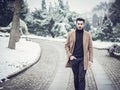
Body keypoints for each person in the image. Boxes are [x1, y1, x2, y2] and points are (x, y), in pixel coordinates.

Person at [65, 18, 93, 90]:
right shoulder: (70, 34)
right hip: (74, 59)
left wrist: (90, 60)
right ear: (76, 24)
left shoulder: (88, 35)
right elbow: (66, 46)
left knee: (82, 77)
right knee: (76, 77)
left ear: (83, 25)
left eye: (81, 24)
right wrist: (70, 56)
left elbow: (90, 47)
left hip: (83, 59)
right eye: (78, 24)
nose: (80, 25)